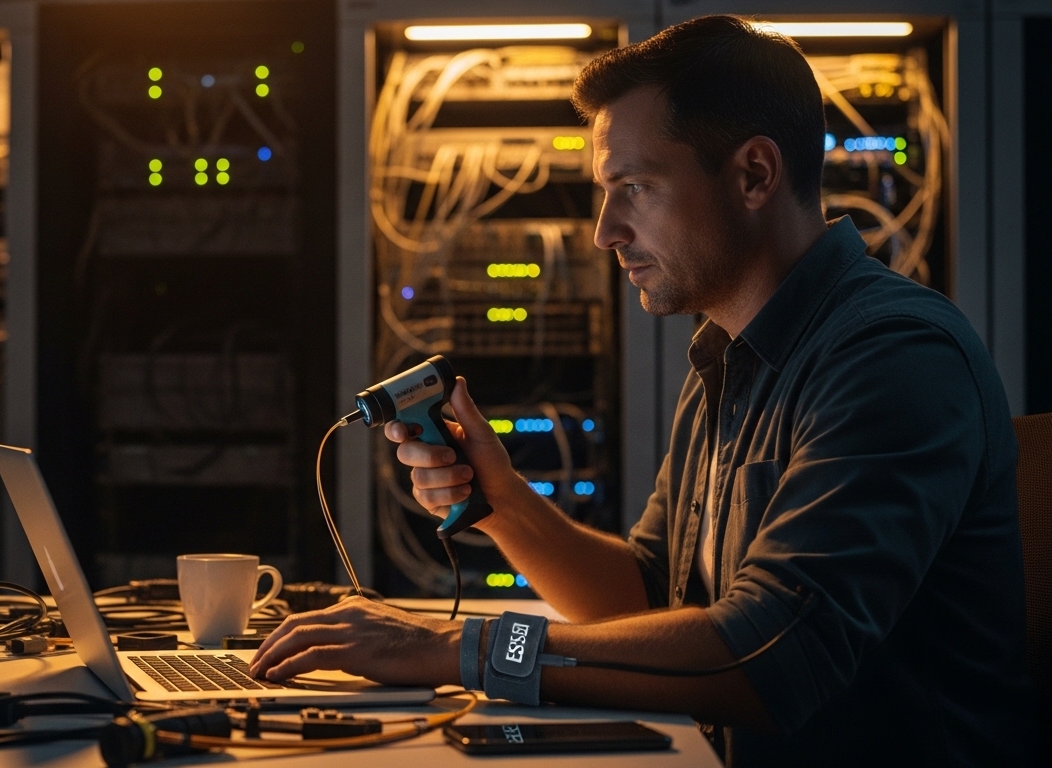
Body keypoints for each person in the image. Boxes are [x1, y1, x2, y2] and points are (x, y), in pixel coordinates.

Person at [249, 14, 1041, 766]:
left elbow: (768, 655)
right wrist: (503, 504)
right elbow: (647, 601)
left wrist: (453, 650)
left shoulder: (895, 357)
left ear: (755, 174)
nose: (605, 230)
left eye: (634, 187)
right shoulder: (726, 357)